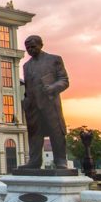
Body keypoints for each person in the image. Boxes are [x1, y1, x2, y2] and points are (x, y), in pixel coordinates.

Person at [21, 35, 70, 169]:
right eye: (28, 48)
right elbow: (27, 86)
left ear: (41, 45)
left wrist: (53, 87)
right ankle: (35, 161)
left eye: (33, 46)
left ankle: (60, 160)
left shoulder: (54, 59)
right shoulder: (26, 66)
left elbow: (64, 80)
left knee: (56, 132)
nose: (30, 50)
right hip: (32, 105)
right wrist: (25, 100)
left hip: (50, 103)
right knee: (34, 134)